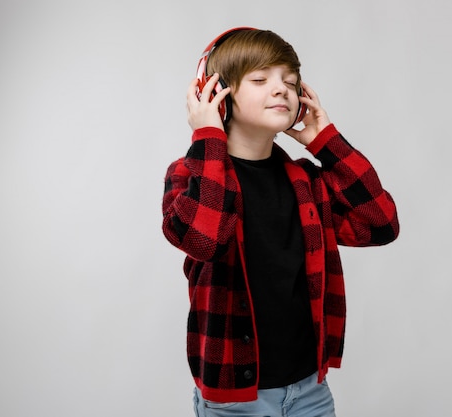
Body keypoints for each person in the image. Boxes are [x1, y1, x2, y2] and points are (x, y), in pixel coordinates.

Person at [161, 27, 399, 417]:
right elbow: (206, 240)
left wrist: (328, 142)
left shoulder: (307, 181)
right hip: (236, 401)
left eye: (290, 81)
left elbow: (382, 224)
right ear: (216, 94)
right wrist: (208, 134)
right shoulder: (189, 176)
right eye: (260, 79)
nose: (281, 89)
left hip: (310, 391)